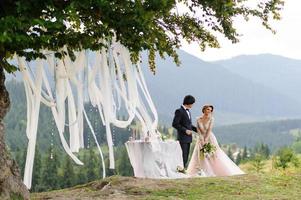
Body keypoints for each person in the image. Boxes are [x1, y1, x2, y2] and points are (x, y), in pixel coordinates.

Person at [187, 104, 245, 177]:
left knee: (213, 154)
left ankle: (215, 170)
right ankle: (201, 171)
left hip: (210, 138)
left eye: (211, 110)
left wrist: (205, 140)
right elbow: (198, 131)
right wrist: (201, 139)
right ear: (204, 109)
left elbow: (208, 130)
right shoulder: (198, 119)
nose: (209, 111)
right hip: (200, 138)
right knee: (200, 154)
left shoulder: (211, 119)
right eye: (208, 109)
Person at [172, 95, 197, 168]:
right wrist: (185, 130)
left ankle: (183, 169)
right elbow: (175, 124)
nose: (193, 105)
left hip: (188, 138)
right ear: (189, 102)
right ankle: (181, 170)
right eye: (192, 103)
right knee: (183, 156)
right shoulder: (179, 111)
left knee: (186, 156)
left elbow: (189, 125)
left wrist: (198, 130)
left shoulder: (188, 111)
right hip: (182, 138)